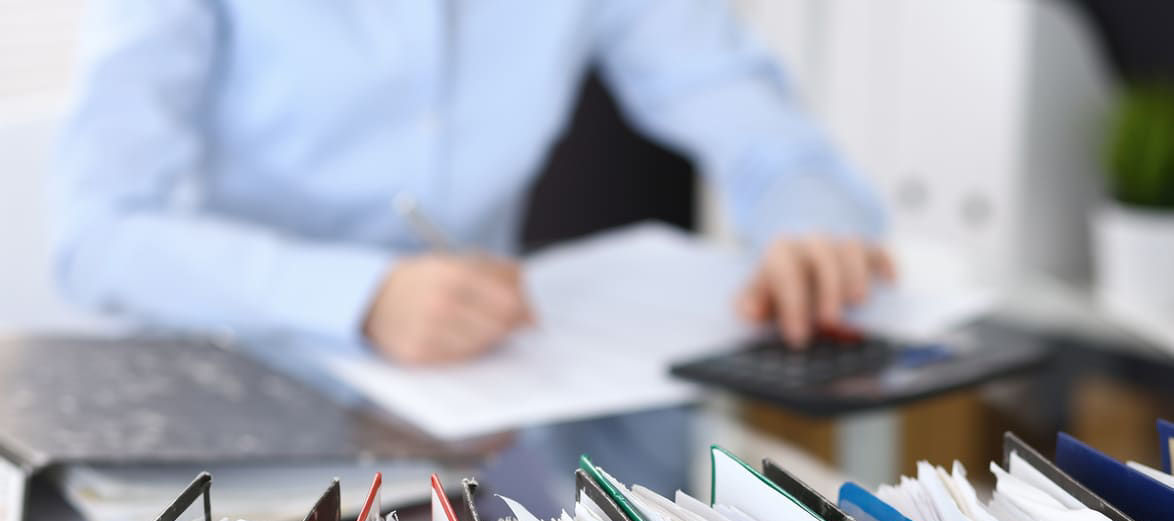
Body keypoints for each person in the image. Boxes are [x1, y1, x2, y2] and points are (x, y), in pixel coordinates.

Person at [54, 0, 892, 364]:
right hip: (247, 385)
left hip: (480, 400)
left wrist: (805, 222)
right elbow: (95, 236)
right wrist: (362, 298)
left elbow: (762, 129)